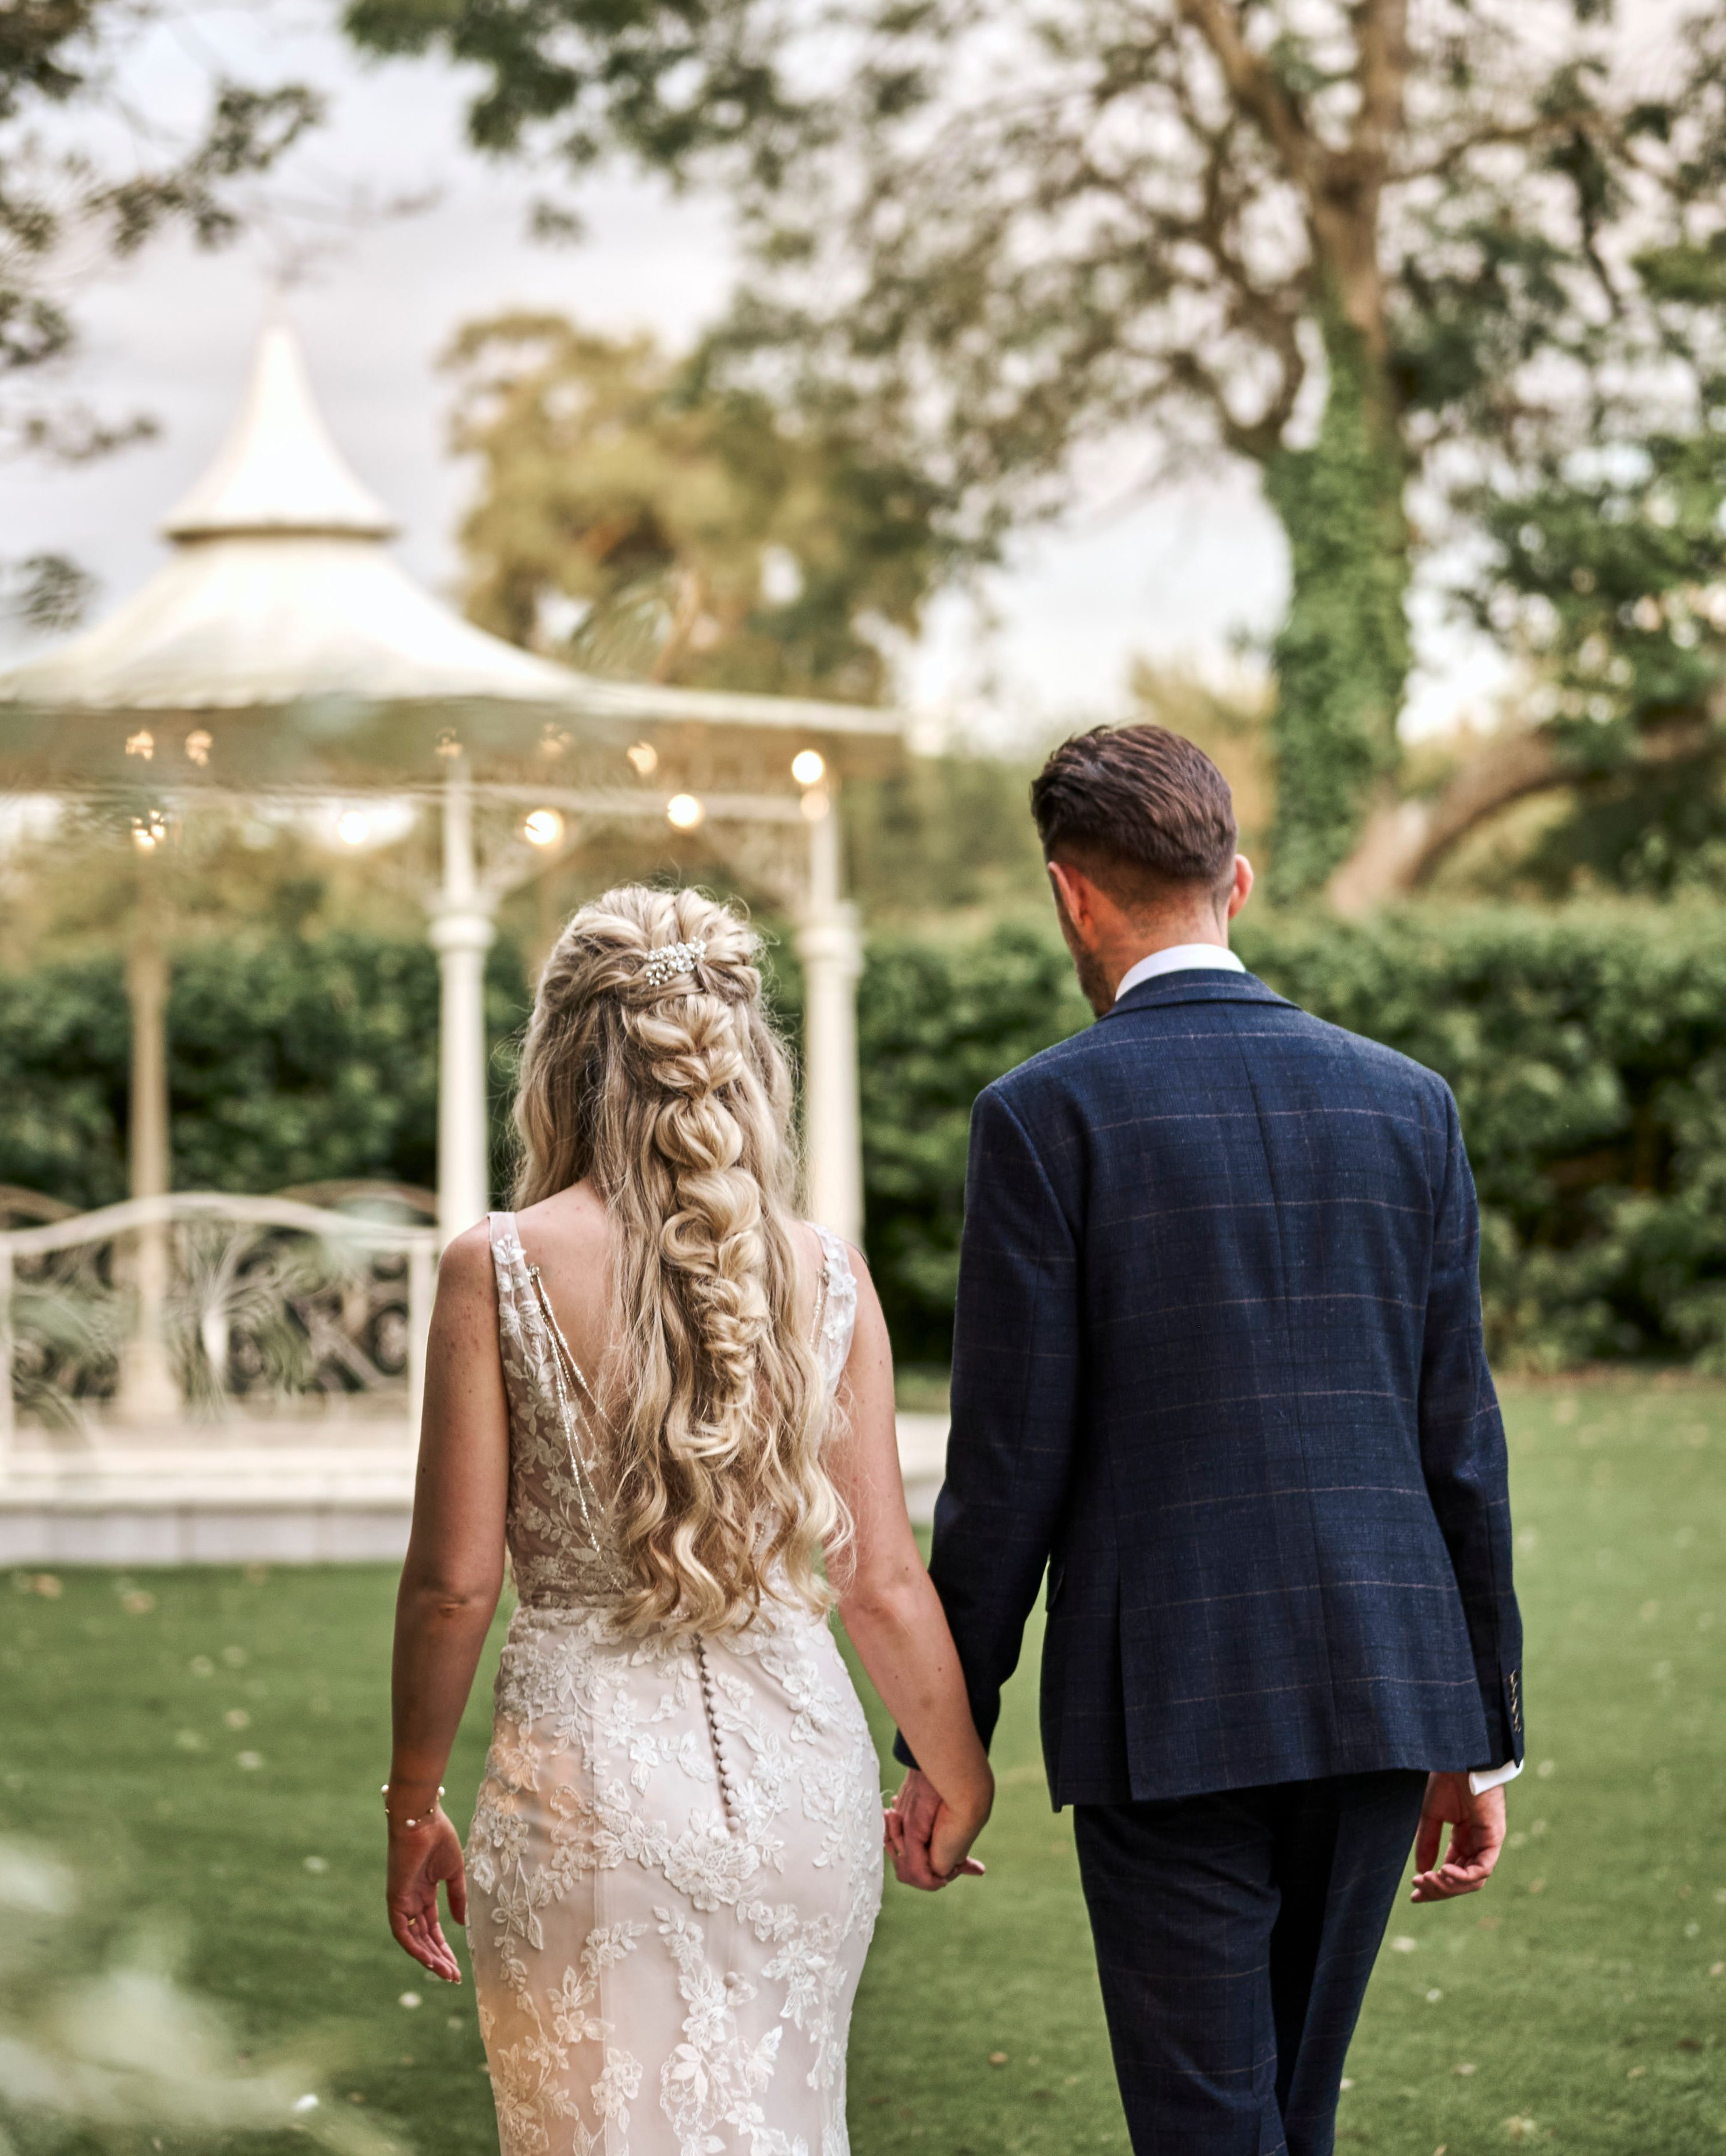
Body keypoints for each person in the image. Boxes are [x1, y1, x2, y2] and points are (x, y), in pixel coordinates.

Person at [887, 723, 1523, 2156]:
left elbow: (1004, 1472)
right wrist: (1477, 1735)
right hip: (1380, 1683)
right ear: (1234, 882)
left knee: (1206, 2125)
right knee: (1289, 2113)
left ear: (1071, 897)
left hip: (1163, 1703)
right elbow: (1459, 1445)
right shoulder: (1408, 1103)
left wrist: (949, 1730)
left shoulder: (1041, 1119)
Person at [384, 885, 995, 2154]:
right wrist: (955, 1769)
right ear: (740, 1060)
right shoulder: (825, 1271)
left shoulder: (495, 1264)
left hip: (583, 1790)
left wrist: (411, 1800)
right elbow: (879, 1574)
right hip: (801, 1792)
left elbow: (454, 1581)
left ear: (557, 1064)